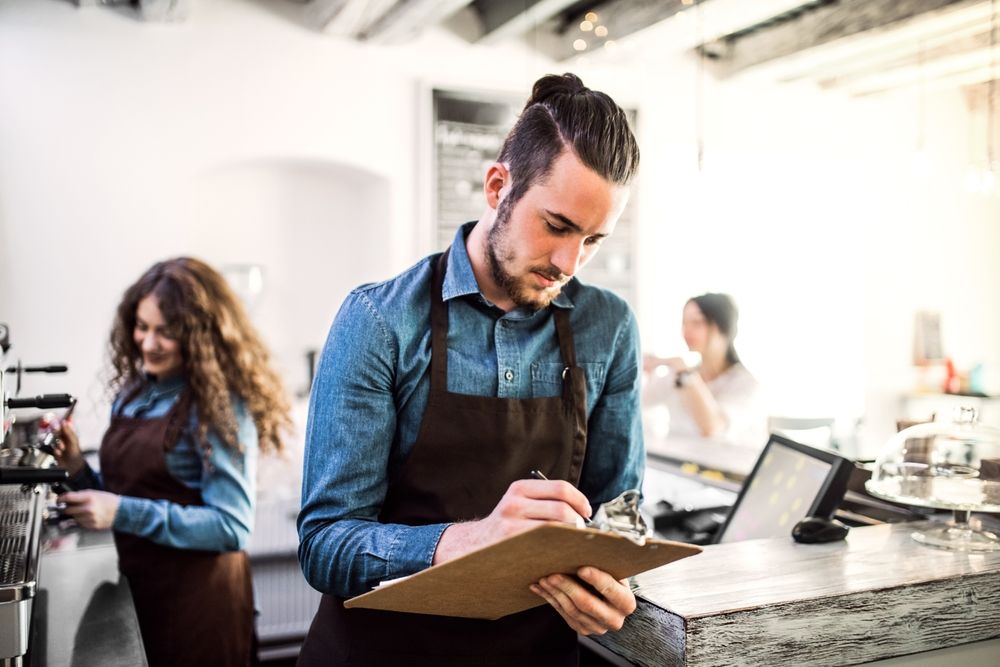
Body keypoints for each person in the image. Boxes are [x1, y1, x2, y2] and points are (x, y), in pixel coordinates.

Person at [297, 72, 643, 666]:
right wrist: (471, 541)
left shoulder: (607, 327)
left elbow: (620, 516)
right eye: (557, 226)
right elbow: (325, 544)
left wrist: (613, 581)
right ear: (497, 185)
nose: (569, 261)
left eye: (593, 239)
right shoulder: (379, 321)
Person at [52, 257, 292, 667]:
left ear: (200, 336)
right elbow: (121, 498)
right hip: (141, 589)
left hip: (199, 604)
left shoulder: (219, 408)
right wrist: (75, 466)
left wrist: (121, 512)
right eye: (142, 327)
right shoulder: (135, 393)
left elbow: (231, 527)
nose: (147, 343)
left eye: (166, 332)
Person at [643, 293, 765, 446]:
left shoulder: (746, 384)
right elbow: (640, 402)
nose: (686, 331)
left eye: (697, 323)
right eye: (684, 323)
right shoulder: (678, 375)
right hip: (677, 465)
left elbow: (712, 427)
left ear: (722, 328)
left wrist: (681, 368)